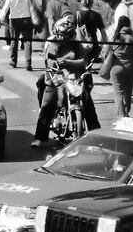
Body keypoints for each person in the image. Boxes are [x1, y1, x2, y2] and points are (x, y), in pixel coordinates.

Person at [31, 13, 97, 148]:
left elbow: (83, 61)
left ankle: (96, 133)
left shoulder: (76, 45)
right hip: (56, 78)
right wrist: (64, 61)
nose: (63, 37)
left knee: (88, 102)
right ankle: (39, 138)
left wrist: (67, 62)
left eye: (66, 34)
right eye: (61, 34)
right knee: (47, 105)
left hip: (74, 79)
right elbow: (51, 62)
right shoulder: (53, 44)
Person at [102, 15, 133, 118]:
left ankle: (122, 114)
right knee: (128, 93)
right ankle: (127, 112)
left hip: (116, 68)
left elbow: (105, 54)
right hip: (131, 68)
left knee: (118, 93)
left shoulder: (114, 37)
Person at [0, 0, 36, 70]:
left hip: (14, 20)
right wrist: (35, 19)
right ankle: (28, 63)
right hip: (27, 19)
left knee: (14, 41)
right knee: (28, 42)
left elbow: (5, 8)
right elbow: (32, 7)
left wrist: (0, 19)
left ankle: (13, 61)